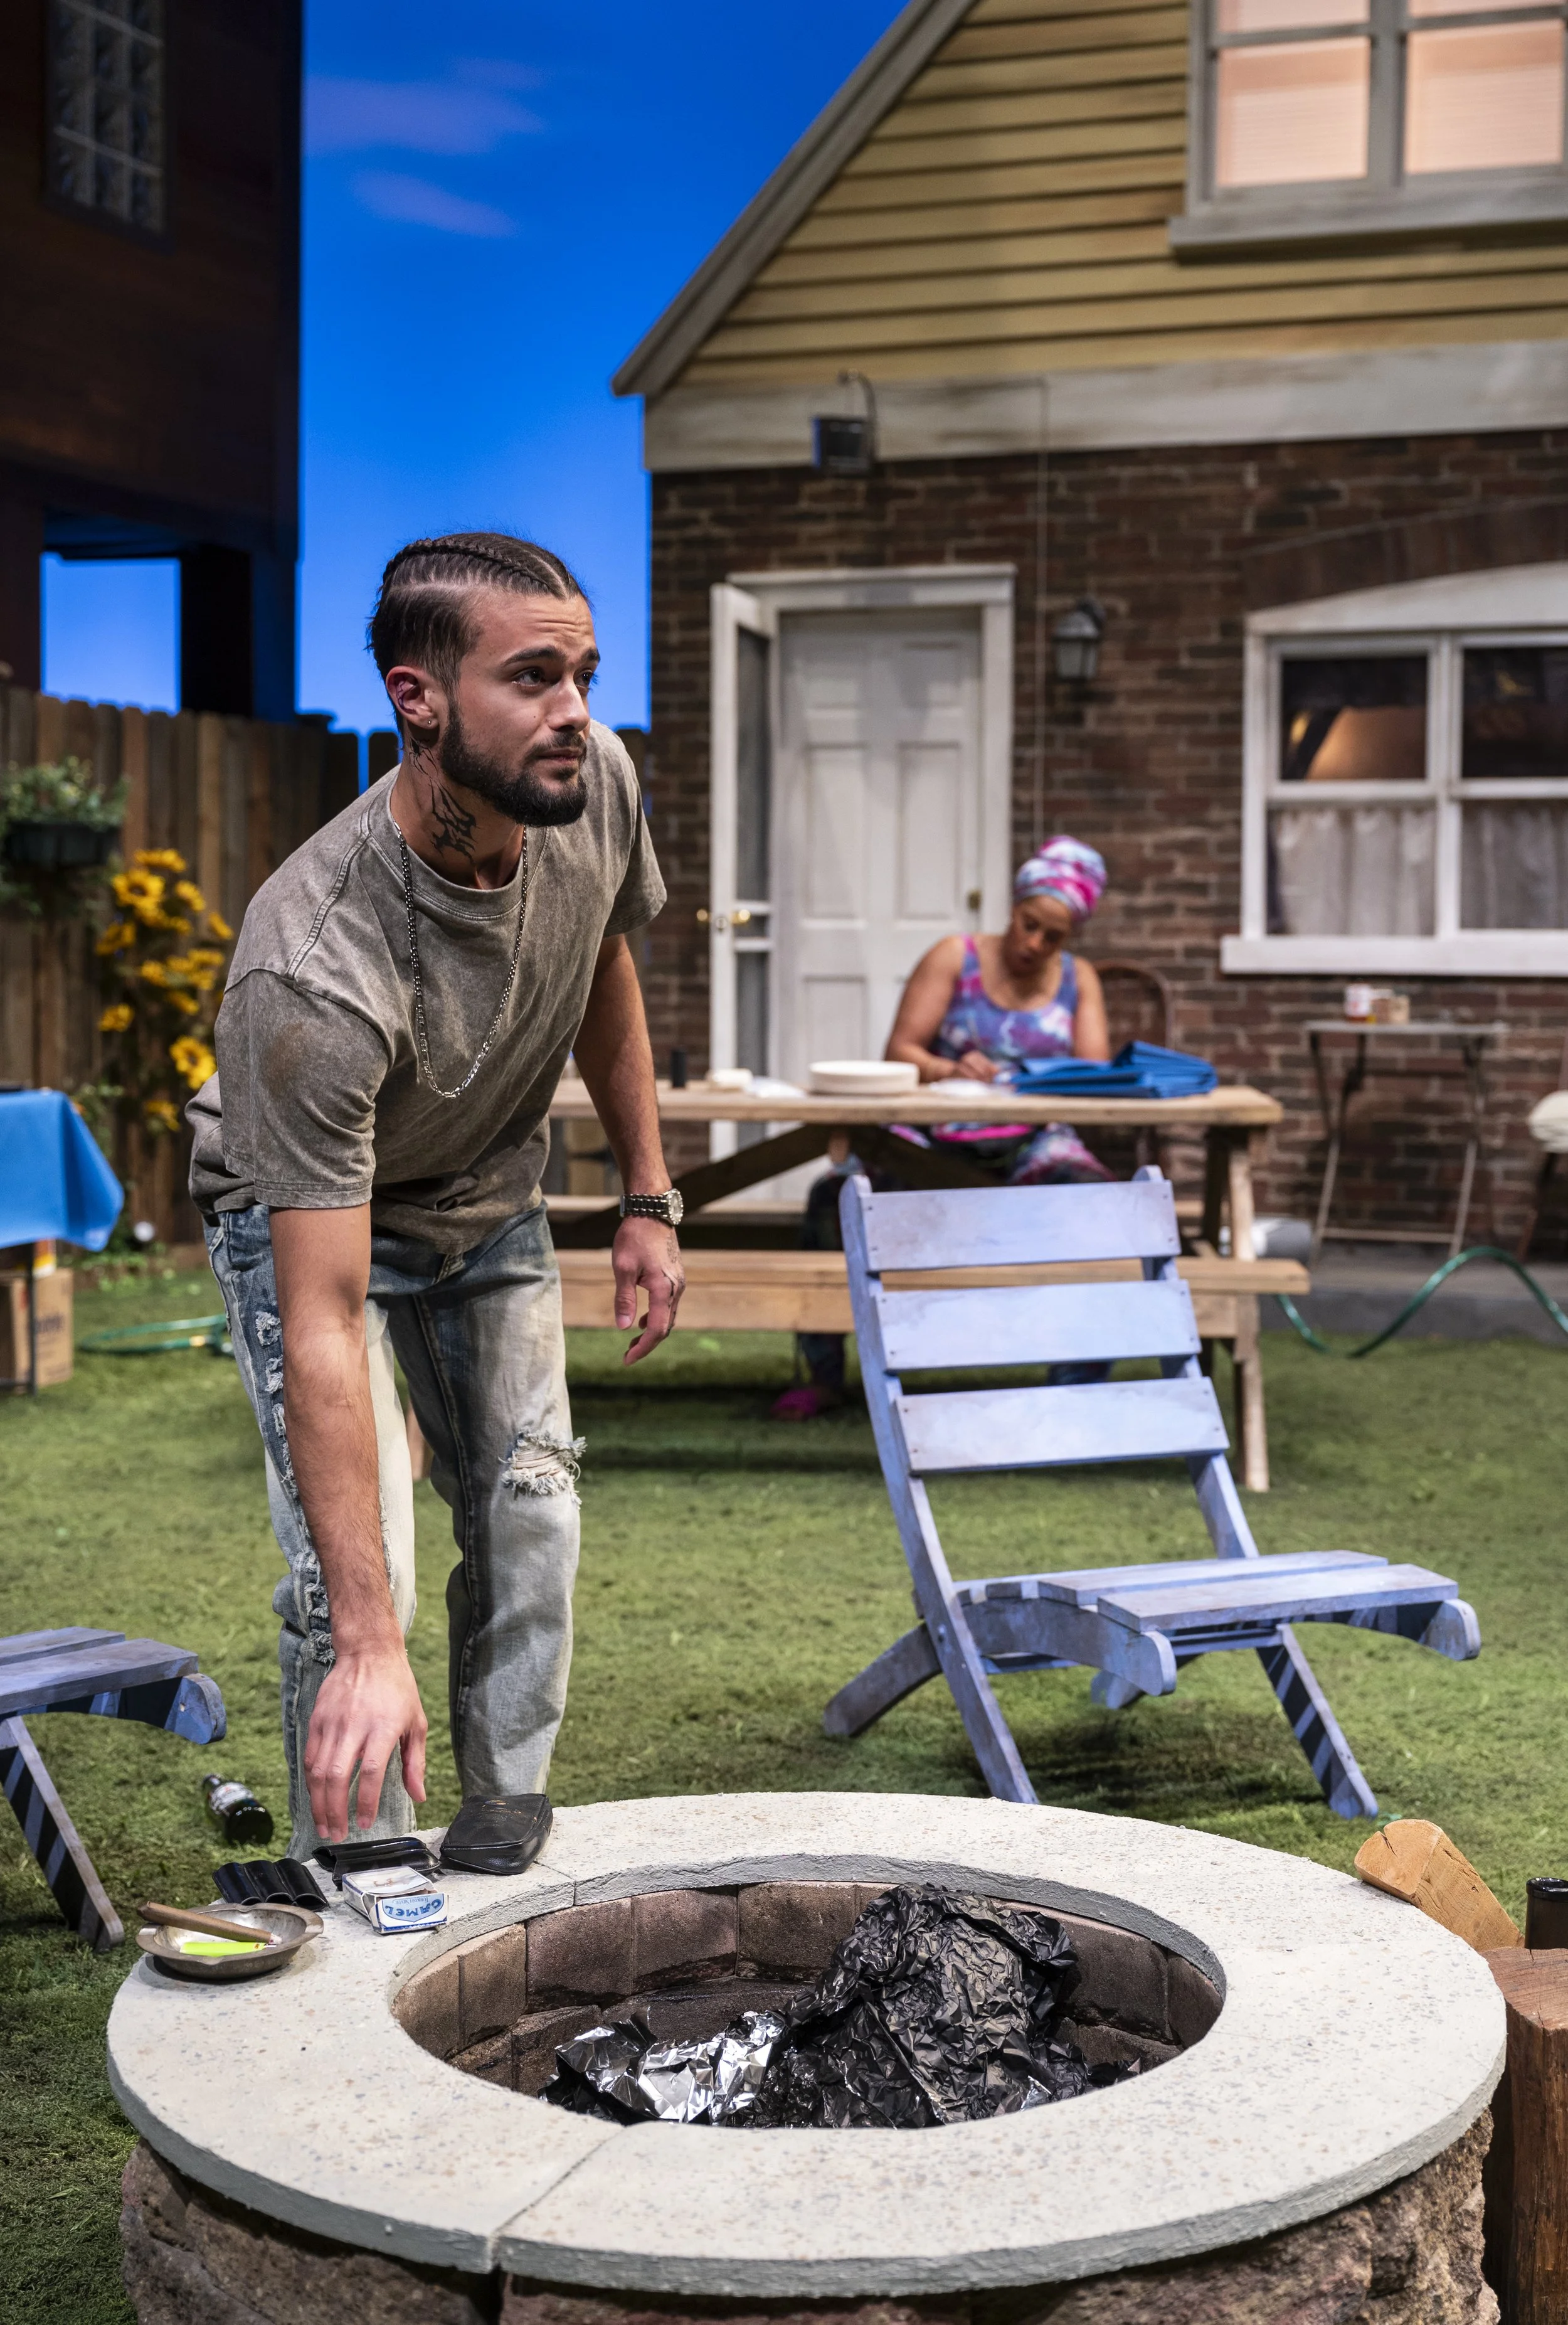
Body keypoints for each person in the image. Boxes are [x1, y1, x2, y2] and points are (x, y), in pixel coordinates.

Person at [188, 533, 685, 1853]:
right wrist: (367, 1637)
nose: (572, 710)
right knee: (360, 1579)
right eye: (531, 676)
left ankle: (500, 1801)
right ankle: (361, 1856)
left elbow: (603, 963)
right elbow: (322, 1313)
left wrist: (648, 1194)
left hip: (488, 1188)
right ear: (419, 698)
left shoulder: (590, 786)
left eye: (580, 671)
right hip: (304, 1210)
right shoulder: (312, 959)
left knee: (532, 1504)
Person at [773, 836, 1110, 1420]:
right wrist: (949, 1067)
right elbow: (901, 1051)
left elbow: (1097, 1077)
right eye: (1029, 925)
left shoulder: (1079, 980)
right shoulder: (955, 958)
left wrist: (1033, 1080)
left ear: (1071, 937)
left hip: (1030, 1141)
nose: (1034, 944)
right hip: (934, 1138)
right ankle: (825, 1374)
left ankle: (1074, 1384)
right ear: (1015, 906)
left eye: (1051, 937)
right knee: (836, 1198)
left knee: (1094, 1199)